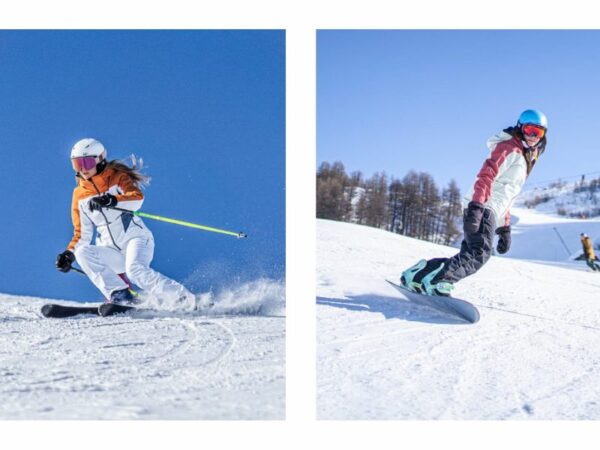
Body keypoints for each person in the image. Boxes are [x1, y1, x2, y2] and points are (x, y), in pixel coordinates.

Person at [400, 109, 548, 296]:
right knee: (480, 253)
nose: (533, 136)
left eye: (538, 132)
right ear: (520, 128)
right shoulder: (509, 148)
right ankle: (439, 281)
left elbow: (507, 194)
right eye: (529, 130)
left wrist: (504, 228)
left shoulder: (524, 158)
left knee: (468, 255)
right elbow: (486, 176)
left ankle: (419, 274)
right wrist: (477, 207)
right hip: (483, 205)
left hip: (489, 208)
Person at [55, 138, 195, 307]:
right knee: (82, 252)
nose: (83, 169)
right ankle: (121, 295)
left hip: (135, 239)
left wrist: (112, 200)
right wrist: (69, 254)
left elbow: (137, 198)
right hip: (111, 250)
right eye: (77, 164)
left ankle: (183, 298)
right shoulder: (79, 195)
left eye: (87, 162)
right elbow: (81, 233)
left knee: (135, 270)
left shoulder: (117, 178)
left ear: (100, 160)